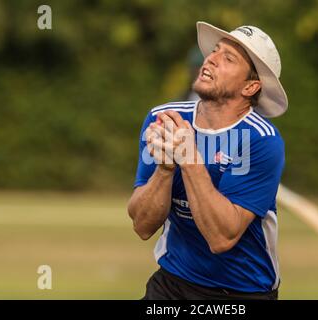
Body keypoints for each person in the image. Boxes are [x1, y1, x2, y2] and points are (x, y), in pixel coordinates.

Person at [127, 21, 288, 300]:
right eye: (214, 51)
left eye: (228, 58)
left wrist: (189, 159)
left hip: (242, 292)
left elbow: (222, 237)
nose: (211, 59)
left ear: (250, 86)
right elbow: (142, 226)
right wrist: (164, 170)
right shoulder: (164, 119)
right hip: (172, 284)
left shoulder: (260, 140)